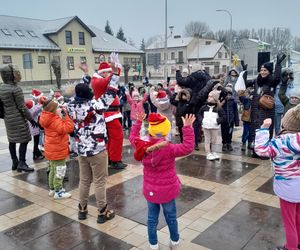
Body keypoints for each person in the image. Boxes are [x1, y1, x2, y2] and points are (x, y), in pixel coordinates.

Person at [129, 112, 195, 250]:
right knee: (171, 217)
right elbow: (187, 147)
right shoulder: (169, 148)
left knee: (152, 218)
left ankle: (153, 244)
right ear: (165, 130)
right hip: (167, 190)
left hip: (150, 189)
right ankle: (174, 241)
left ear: (151, 129)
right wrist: (187, 128)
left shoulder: (142, 145)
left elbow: (132, 138)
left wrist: (138, 123)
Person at [67, 73, 118, 223]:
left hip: (81, 149)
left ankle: (82, 209)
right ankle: (102, 212)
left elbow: (80, 90)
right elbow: (111, 92)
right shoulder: (95, 105)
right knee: (100, 181)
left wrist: (84, 75)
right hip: (97, 150)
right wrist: (116, 72)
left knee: (84, 180)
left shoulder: (70, 105)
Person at [254, 104, 300, 250]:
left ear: (286, 124)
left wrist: (263, 129)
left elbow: (261, 151)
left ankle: (291, 247)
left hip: (288, 188)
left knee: (289, 222)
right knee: (298, 216)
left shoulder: (279, 143)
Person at [87, 58, 127, 169]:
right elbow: (108, 81)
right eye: (105, 72)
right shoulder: (96, 80)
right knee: (117, 136)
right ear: (100, 73)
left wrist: (116, 69)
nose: (107, 74)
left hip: (113, 113)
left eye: (108, 72)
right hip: (108, 114)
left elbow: (112, 81)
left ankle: (111, 158)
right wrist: (115, 71)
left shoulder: (100, 79)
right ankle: (115, 160)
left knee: (112, 137)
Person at [245, 54, 286, 156]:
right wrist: (244, 71)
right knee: (255, 131)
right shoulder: (256, 80)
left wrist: (278, 65)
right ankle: (256, 150)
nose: (263, 72)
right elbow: (245, 83)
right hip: (255, 110)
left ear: (269, 71)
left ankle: (264, 151)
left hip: (267, 111)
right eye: (261, 70)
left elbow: (277, 77)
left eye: (265, 70)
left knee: (265, 130)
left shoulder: (272, 81)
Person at [0, 64, 37, 172]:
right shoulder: (16, 89)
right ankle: (22, 162)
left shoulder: (1, 87)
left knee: (12, 141)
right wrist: (31, 119)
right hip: (18, 118)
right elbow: (22, 107)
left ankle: (14, 162)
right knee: (24, 140)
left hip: (8, 118)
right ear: (11, 75)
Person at [39, 98, 74, 199]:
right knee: (60, 169)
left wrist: (60, 116)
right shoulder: (54, 119)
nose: (59, 108)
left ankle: (52, 189)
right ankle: (58, 191)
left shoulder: (46, 117)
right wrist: (66, 116)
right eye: (57, 107)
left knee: (53, 169)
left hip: (51, 149)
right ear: (53, 109)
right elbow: (68, 128)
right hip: (58, 150)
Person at [198, 88, 225, 160]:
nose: (209, 98)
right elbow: (199, 114)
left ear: (215, 98)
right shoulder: (204, 107)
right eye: (209, 96)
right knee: (207, 140)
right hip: (206, 126)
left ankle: (214, 152)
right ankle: (208, 153)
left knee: (214, 140)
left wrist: (217, 121)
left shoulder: (218, 108)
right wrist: (202, 120)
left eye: (211, 96)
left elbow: (223, 117)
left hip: (214, 127)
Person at [220, 84, 239, 151]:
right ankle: (224, 143)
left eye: (229, 94)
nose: (228, 96)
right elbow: (219, 109)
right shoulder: (222, 101)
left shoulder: (233, 102)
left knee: (230, 132)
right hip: (224, 120)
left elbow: (236, 111)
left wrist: (236, 121)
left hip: (231, 121)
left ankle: (229, 143)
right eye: (227, 94)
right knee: (224, 132)